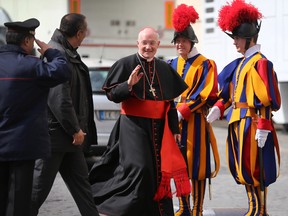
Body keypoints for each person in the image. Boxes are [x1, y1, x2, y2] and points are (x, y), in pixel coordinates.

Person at [89, 27, 190, 216]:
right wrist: (128, 85)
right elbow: (112, 95)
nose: (148, 47)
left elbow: (169, 102)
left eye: (152, 43)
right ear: (138, 44)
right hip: (133, 126)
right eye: (144, 42)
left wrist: (174, 129)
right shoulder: (125, 64)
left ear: (158, 45)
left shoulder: (164, 68)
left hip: (159, 129)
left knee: (158, 172)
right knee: (140, 169)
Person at [207, 0, 281, 215]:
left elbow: (266, 99)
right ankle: (254, 208)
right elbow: (230, 94)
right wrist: (220, 107)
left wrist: (264, 125)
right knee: (243, 168)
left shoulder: (261, 63)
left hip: (252, 122)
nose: (235, 43)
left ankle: (258, 211)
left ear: (249, 39)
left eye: (237, 38)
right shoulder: (239, 64)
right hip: (237, 122)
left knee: (256, 168)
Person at [31, 13, 99, 216]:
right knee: (37, 191)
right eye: (85, 32)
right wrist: (75, 128)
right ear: (79, 33)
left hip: (69, 138)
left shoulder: (64, 51)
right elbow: (59, 98)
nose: (85, 35)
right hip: (56, 136)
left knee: (83, 189)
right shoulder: (57, 53)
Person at [0, 18, 70, 216]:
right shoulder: (32, 66)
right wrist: (51, 51)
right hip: (22, 145)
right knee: (18, 201)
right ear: (28, 41)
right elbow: (63, 71)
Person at [168, 4, 220, 216]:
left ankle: (197, 209)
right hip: (175, 122)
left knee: (197, 167)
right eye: (177, 41)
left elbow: (205, 94)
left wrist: (182, 110)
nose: (180, 44)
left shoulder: (206, 64)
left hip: (196, 122)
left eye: (183, 41)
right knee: (179, 166)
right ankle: (184, 207)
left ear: (191, 42)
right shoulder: (171, 63)